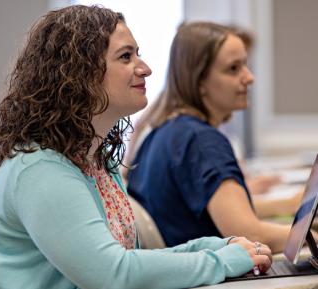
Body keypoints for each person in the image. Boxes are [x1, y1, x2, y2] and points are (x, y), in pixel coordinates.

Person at [0, 5, 272, 289]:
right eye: (126, 57)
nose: (146, 68)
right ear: (79, 75)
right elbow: (113, 274)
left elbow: (130, 259)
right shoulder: (39, 170)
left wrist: (213, 246)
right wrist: (221, 261)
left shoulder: (96, 161)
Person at [126, 21, 302, 253]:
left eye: (245, 65)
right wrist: (310, 236)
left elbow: (221, 213)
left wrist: (291, 208)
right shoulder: (201, 141)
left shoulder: (167, 131)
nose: (249, 77)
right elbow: (251, 234)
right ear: (199, 81)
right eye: (233, 69)